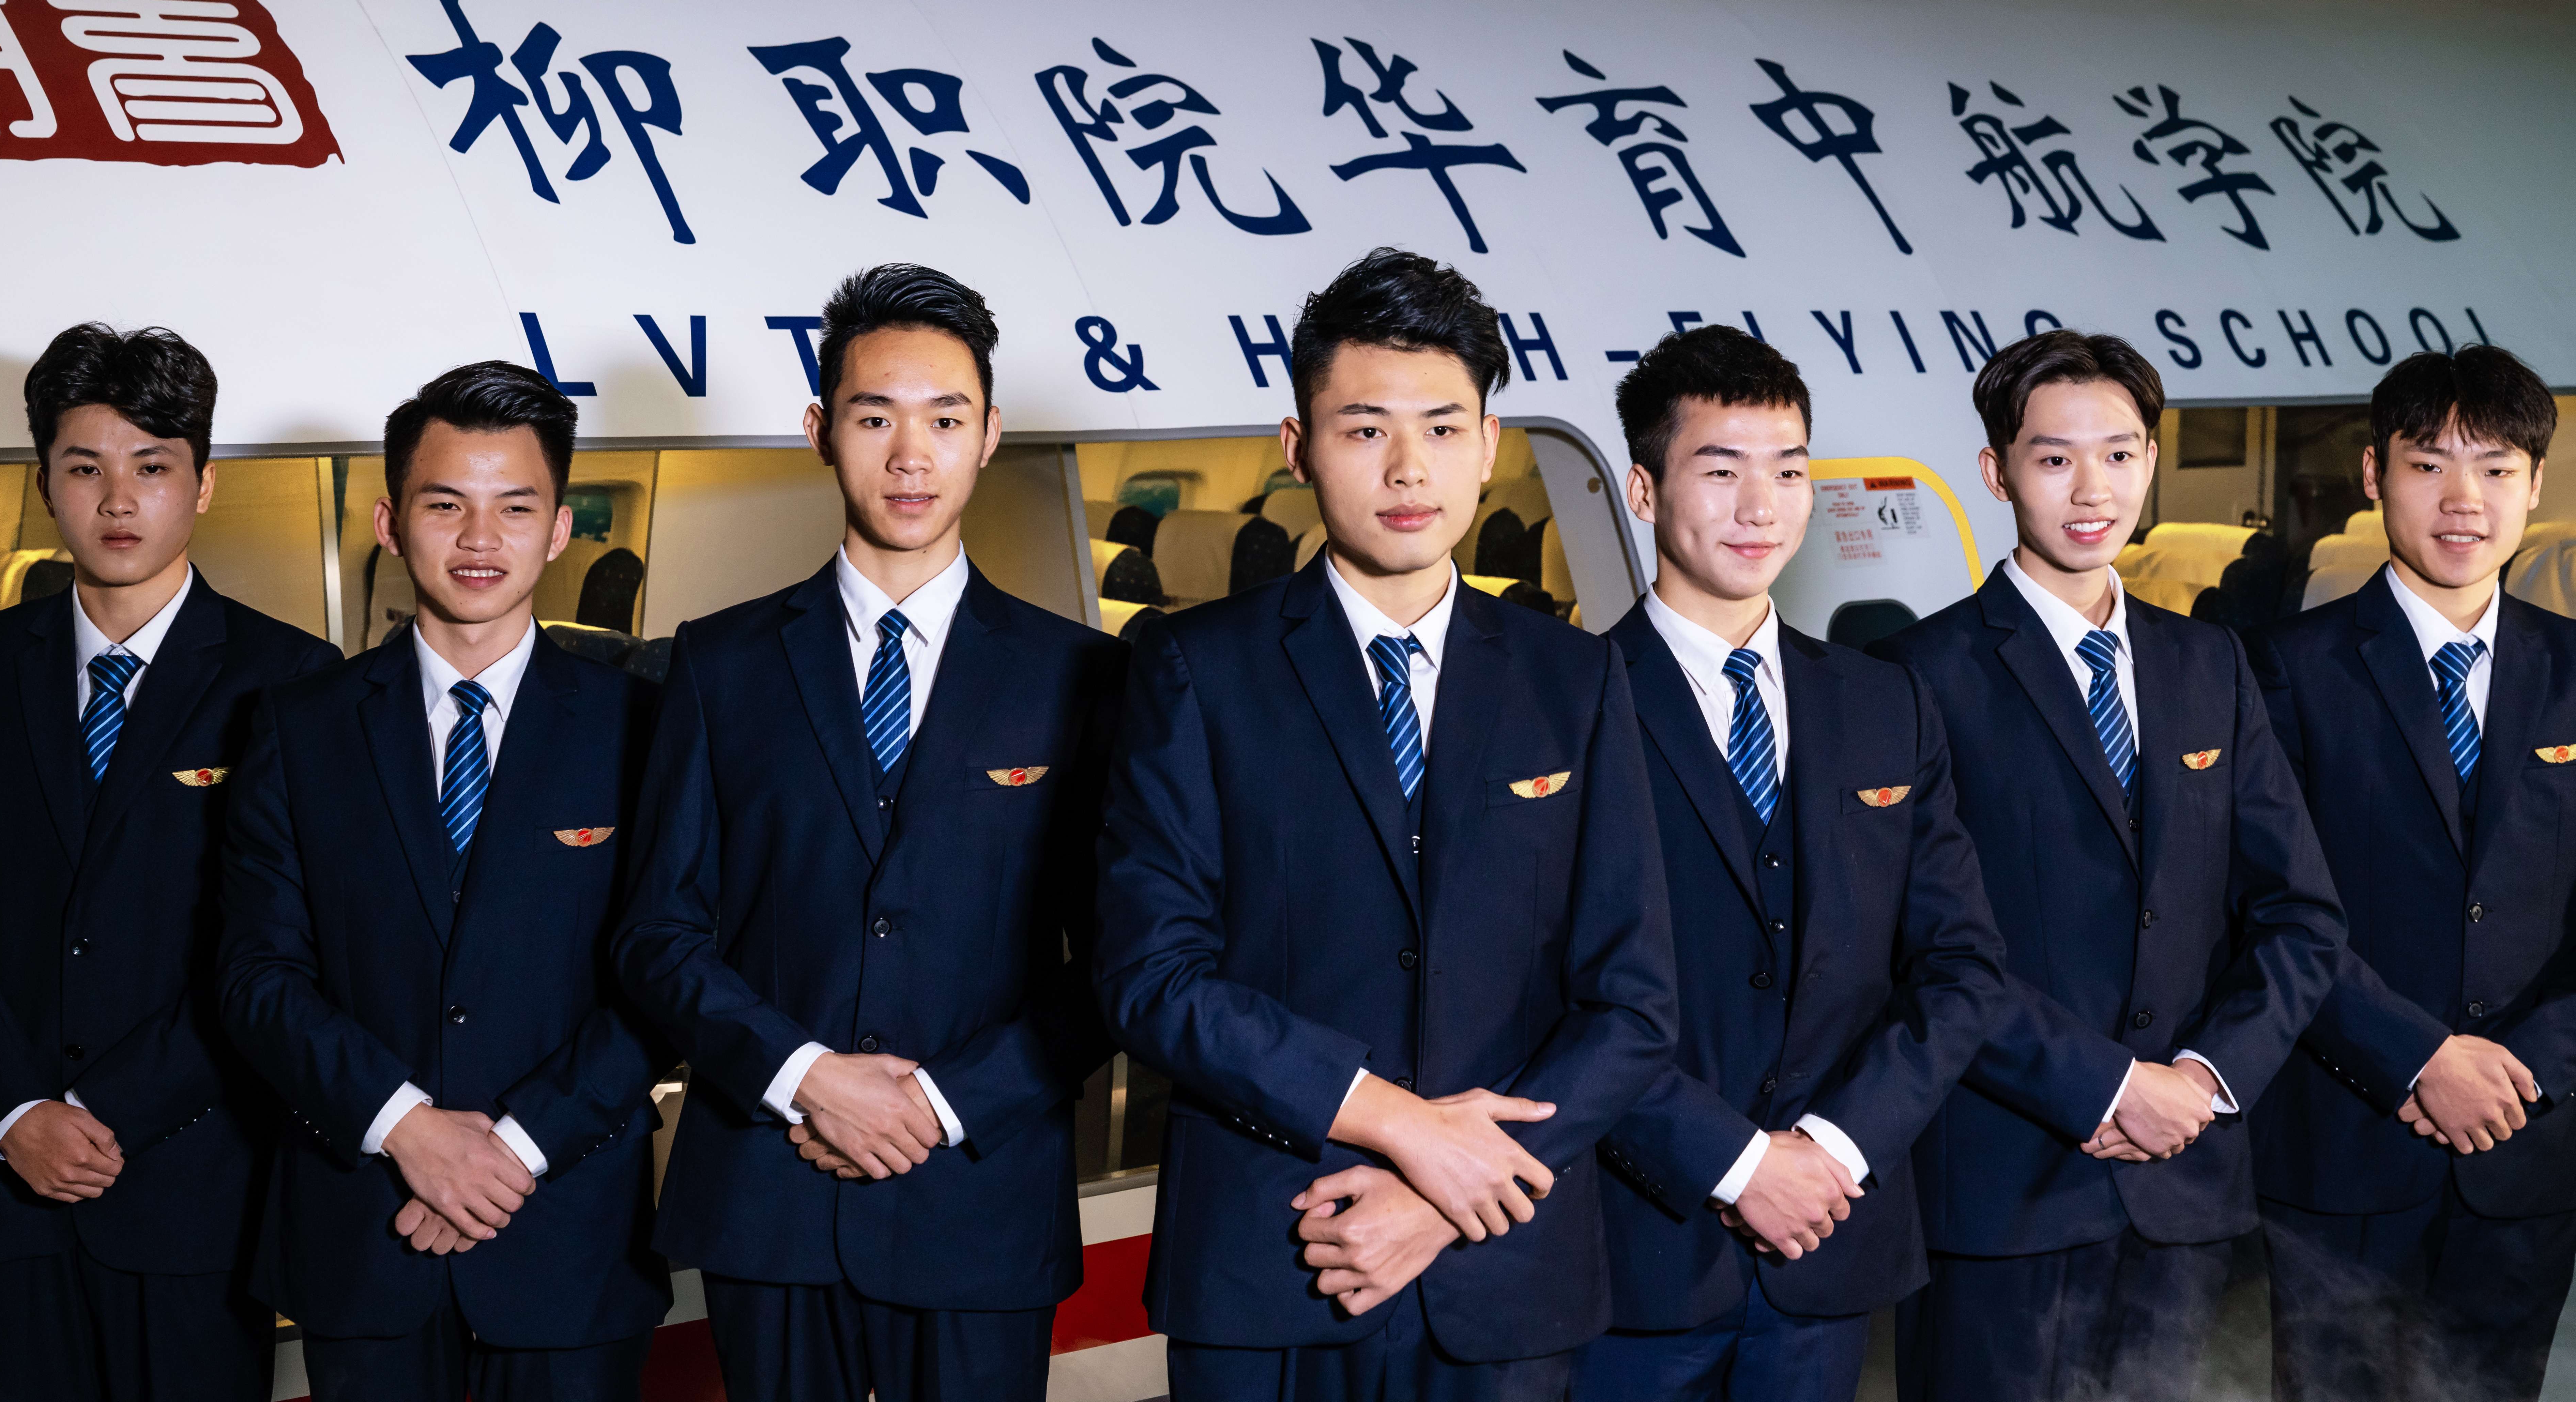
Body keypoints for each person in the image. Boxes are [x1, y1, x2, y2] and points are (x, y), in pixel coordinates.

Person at [1092, 248, 1679, 1402]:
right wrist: (1402, 1125)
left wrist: (1450, 1190)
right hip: (1274, 1250)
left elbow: (1635, 999)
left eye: (1443, 429)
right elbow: (1150, 975)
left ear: (1489, 444)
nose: (1409, 468)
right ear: (1298, 446)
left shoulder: (1575, 678)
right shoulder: (1195, 668)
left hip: (1504, 1262)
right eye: (1365, 430)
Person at [611, 264, 1125, 1402]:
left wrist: (937, 1103)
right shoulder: (719, 663)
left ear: (989, 436)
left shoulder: (1084, 676)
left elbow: (1121, 963)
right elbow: (657, 934)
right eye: (874, 416)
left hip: (981, 1193)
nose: (910, 455)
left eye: (945, 418)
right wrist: (806, 1078)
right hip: (771, 1191)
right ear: (819, 431)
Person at [1870, 330, 2344, 1402]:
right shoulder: (1914, 677)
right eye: (2054, 458)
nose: (2094, 489)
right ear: (1996, 471)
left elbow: (2302, 914)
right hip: (2002, 1189)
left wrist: (2205, 1079)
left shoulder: (2211, 662)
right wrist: (2109, 1084)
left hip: (2184, 1181)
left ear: (2151, 461)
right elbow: (1920, 946)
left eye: (2120, 454)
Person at [0, 324, 336, 1402]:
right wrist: (15, 1112)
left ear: (204, 485)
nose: (119, 500)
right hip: (2, 1192)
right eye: (85, 468)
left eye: (153, 467)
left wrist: (109, 1109)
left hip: (194, 1189)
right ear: (45, 483)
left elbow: (283, 947)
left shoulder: (294, 679)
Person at [218, 364, 671, 1401]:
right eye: (445, 505)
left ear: (558, 531)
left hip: (568, 1228)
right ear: (390, 523)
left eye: (515, 507)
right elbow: (257, 973)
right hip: (363, 1222)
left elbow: (666, 974)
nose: (480, 538)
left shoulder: (645, 730)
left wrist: (513, 1150)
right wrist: (406, 1129)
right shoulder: (300, 726)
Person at [1581, 326, 2006, 1402]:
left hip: (1831, 1236)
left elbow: (1961, 965)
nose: (1760, 507)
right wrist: (1735, 1164)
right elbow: (1542, 991)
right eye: (1721, 470)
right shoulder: (1564, 703)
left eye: (1787, 470)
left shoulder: (1885, 702)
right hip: (1633, 1250)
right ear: (1644, 489)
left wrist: (1835, 1148)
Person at [2245, 345, 2576, 1402]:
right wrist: (2417, 1057)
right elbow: (2267, 906)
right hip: (2344, 1142)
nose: (2463, 498)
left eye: (2495, 467)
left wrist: (2524, 1071)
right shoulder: (2280, 668)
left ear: (2536, 483)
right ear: (2373, 474)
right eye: (2429, 464)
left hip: (2527, 1149)